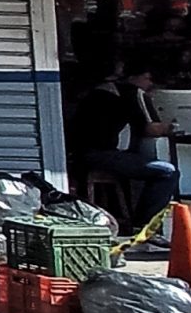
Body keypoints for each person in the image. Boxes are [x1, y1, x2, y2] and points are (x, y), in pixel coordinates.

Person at [67, 66, 180, 232]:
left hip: (78, 155)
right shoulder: (132, 92)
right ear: (134, 77)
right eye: (147, 78)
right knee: (167, 172)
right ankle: (144, 225)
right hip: (99, 154)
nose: (149, 83)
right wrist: (173, 126)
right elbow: (150, 129)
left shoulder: (98, 91)